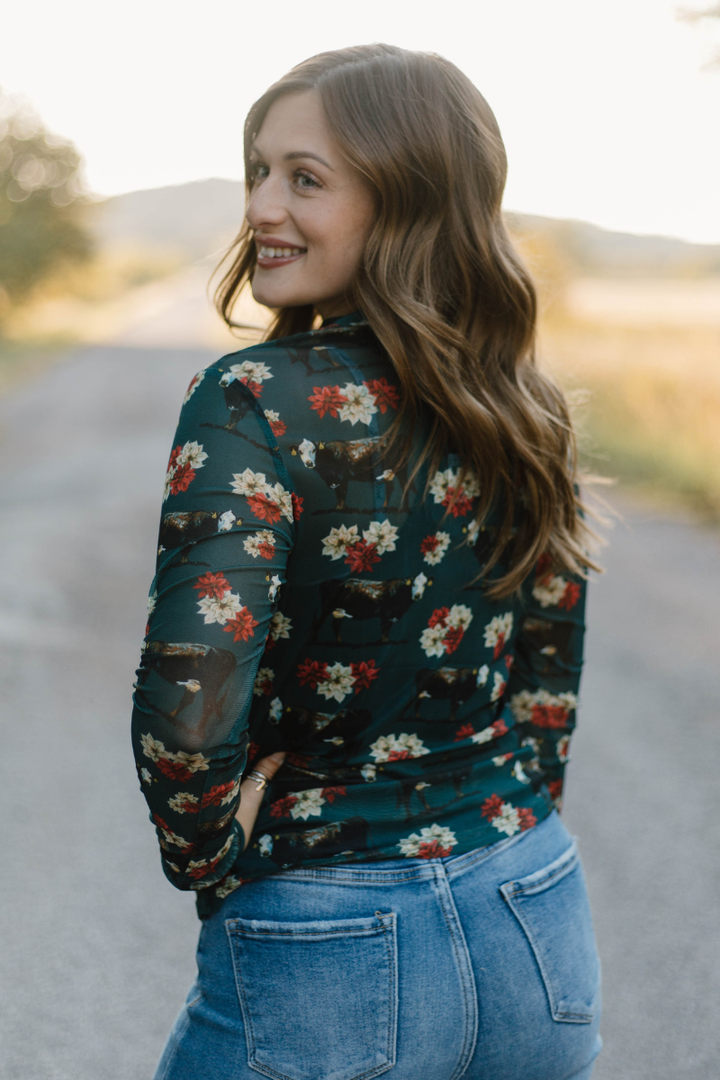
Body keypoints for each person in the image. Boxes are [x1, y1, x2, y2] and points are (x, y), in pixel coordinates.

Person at [132, 43, 602, 1080]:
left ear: (410, 202)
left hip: (323, 938)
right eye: (259, 170)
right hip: (531, 906)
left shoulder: (248, 397)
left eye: (307, 179)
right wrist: (503, 811)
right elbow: (548, 669)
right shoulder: (525, 402)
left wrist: (205, 852)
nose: (263, 204)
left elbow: (189, 703)